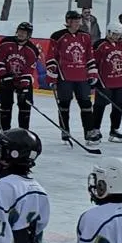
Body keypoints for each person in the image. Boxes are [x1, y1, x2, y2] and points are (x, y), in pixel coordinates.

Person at [45, 10, 95, 144]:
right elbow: (51, 57)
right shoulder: (57, 36)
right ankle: (65, 130)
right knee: (64, 105)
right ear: (68, 22)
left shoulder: (86, 36)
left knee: (86, 104)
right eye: (75, 21)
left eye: (79, 20)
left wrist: (92, 73)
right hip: (64, 77)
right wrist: (52, 77)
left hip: (82, 77)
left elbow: (89, 56)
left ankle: (89, 132)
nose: (78, 23)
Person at [89, 27, 122, 144]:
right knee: (100, 105)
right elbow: (93, 61)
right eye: (114, 34)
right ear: (108, 32)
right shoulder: (100, 45)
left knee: (119, 104)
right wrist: (93, 77)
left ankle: (114, 130)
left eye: (118, 34)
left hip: (119, 81)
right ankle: (95, 129)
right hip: (104, 81)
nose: (116, 36)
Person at [0, 22, 40, 132]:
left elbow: (29, 69)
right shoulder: (5, 43)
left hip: (23, 80)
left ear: (29, 35)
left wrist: (23, 86)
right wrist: (4, 75)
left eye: (24, 32)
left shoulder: (32, 50)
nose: (21, 34)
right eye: (20, 31)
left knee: (25, 106)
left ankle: (23, 132)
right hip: (6, 78)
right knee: (5, 105)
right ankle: (5, 132)